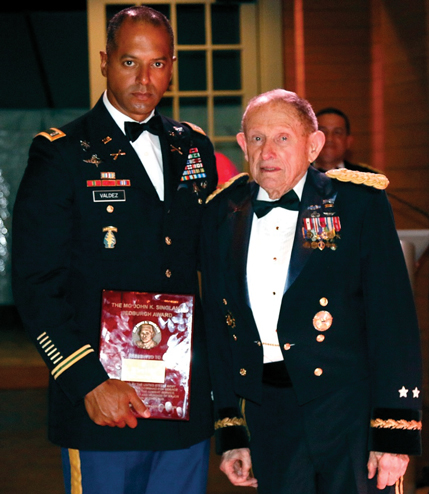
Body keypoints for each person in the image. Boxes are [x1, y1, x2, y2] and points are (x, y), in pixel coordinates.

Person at [12, 6, 217, 494]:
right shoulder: (61, 153)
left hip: (181, 401)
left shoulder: (194, 147)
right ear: (105, 62)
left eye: (158, 63)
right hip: (102, 402)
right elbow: (36, 282)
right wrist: (86, 381)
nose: (145, 79)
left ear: (171, 66)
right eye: (130, 62)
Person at [201, 89, 422, 494]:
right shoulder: (222, 213)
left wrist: (393, 434)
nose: (268, 151)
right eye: (256, 138)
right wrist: (231, 429)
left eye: (283, 138)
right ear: (242, 144)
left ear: (313, 145)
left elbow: (393, 321)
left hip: (349, 411)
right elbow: (218, 329)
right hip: (269, 413)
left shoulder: (357, 204)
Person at [314, 107, 379, 173]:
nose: (329, 139)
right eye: (323, 132)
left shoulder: (367, 178)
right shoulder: (303, 174)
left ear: (348, 141)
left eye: (337, 132)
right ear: (312, 140)